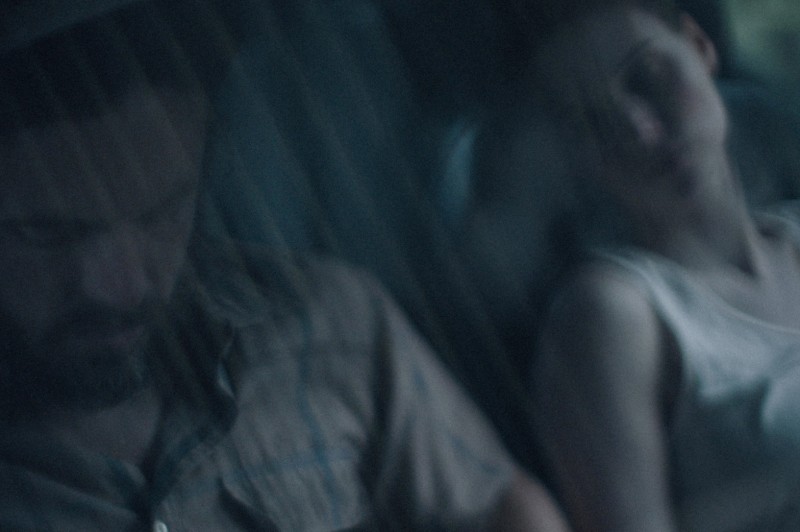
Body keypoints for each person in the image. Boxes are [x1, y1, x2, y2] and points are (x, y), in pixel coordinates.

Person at [0, 1, 571, 530]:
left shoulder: (331, 323)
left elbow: (505, 504)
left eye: (162, 214)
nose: (122, 285)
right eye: (48, 233)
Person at [520, 0, 800, 531]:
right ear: (577, 154)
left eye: (648, 79)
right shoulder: (615, 314)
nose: (641, 130)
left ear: (699, 46)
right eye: (595, 120)